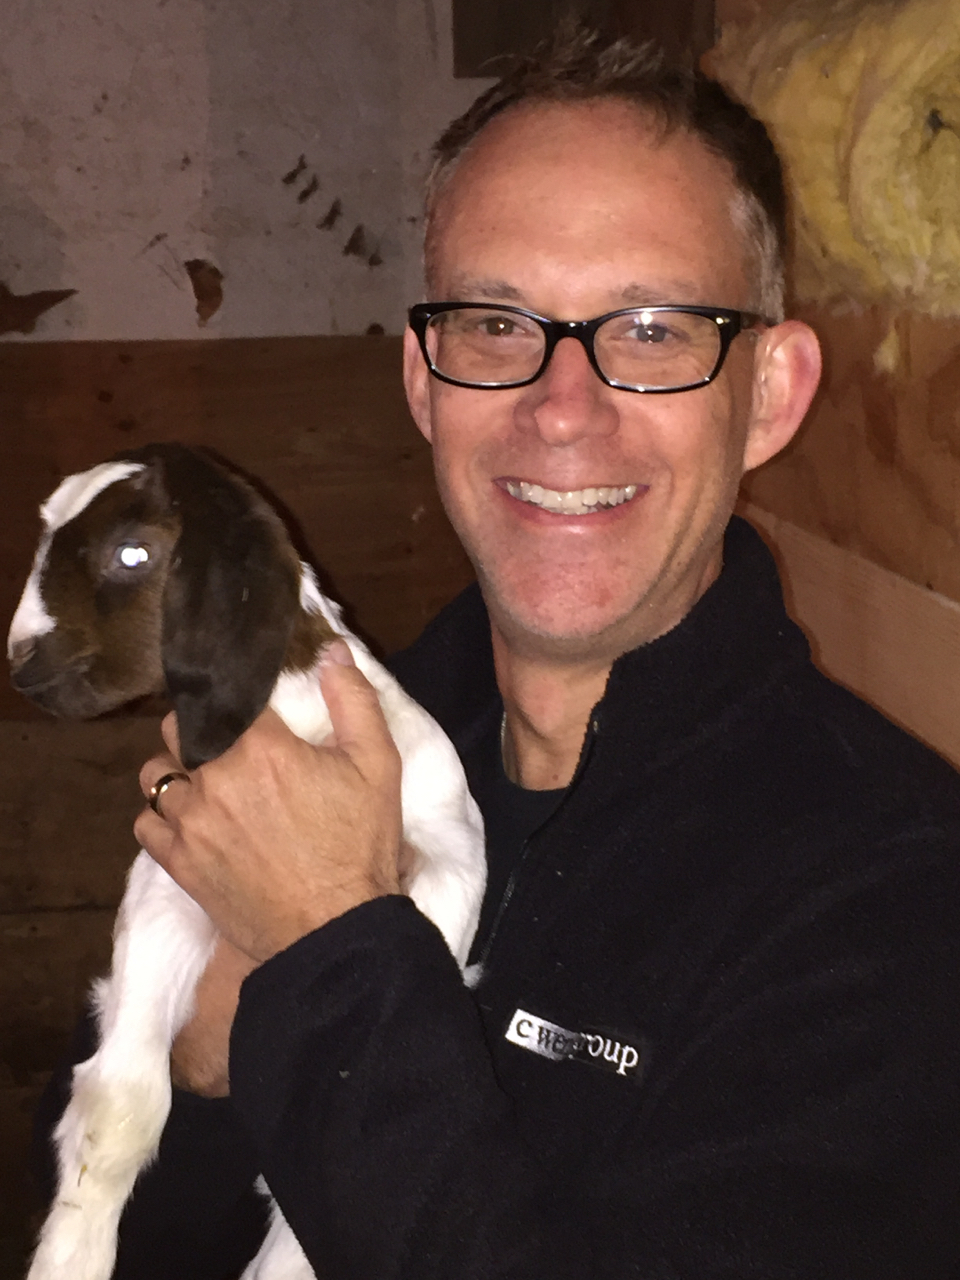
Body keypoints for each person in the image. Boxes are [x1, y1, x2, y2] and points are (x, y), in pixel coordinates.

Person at [38, 29, 960, 1280]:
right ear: (423, 383)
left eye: (652, 328)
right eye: (493, 323)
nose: (561, 409)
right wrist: (197, 1063)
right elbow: (106, 1221)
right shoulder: (306, 754)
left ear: (772, 395)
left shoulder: (894, 901)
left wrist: (326, 948)